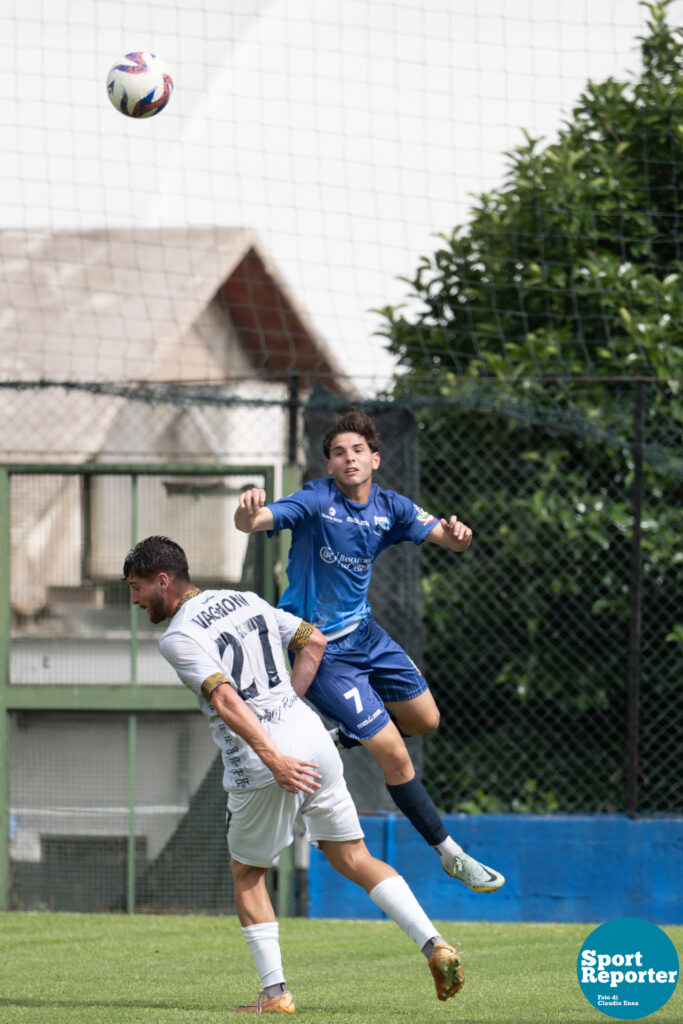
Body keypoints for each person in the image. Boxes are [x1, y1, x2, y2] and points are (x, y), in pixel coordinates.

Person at [123, 535, 465, 1014]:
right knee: (354, 856)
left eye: (137, 587)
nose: (134, 599)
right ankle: (436, 945)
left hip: (266, 760)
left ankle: (275, 994)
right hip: (313, 738)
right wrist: (290, 704)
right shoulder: (245, 599)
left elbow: (226, 699)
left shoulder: (178, 636)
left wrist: (273, 757)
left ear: (163, 581)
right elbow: (314, 640)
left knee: (247, 874)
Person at [234, 407, 504, 895]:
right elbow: (256, 521)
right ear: (330, 466)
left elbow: (447, 537)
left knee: (425, 719)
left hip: (366, 636)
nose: (348, 458)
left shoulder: (391, 508)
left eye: (357, 450)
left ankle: (341, 736)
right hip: (320, 651)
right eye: (338, 452)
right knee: (396, 755)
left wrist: (460, 538)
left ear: (375, 459)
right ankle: (451, 854)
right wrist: (249, 510)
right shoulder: (316, 500)